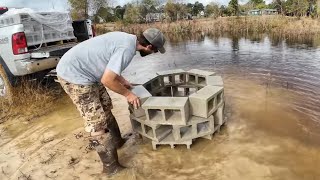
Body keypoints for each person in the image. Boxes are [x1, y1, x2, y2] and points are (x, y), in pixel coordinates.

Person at [56, 28, 166, 176]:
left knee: (106, 106)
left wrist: (122, 80)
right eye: (155, 51)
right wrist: (128, 95)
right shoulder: (127, 50)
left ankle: (117, 141)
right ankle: (110, 168)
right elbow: (107, 80)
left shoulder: (128, 39)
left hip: (88, 72)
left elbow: (106, 62)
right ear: (149, 47)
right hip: (75, 75)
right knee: (97, 122)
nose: (153, 53)